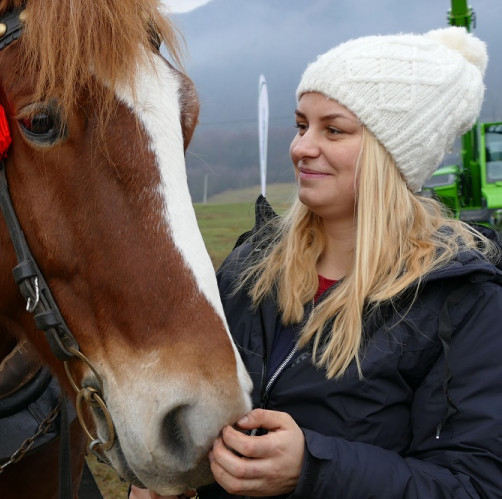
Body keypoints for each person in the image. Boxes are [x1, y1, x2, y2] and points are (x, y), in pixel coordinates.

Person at [132, 27, 502, 498]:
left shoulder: (462, 304)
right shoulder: (251, 269)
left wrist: (313, 468)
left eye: (334, 130)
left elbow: (473, 486)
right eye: (301, 125)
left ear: (395, 155)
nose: (302, 147)